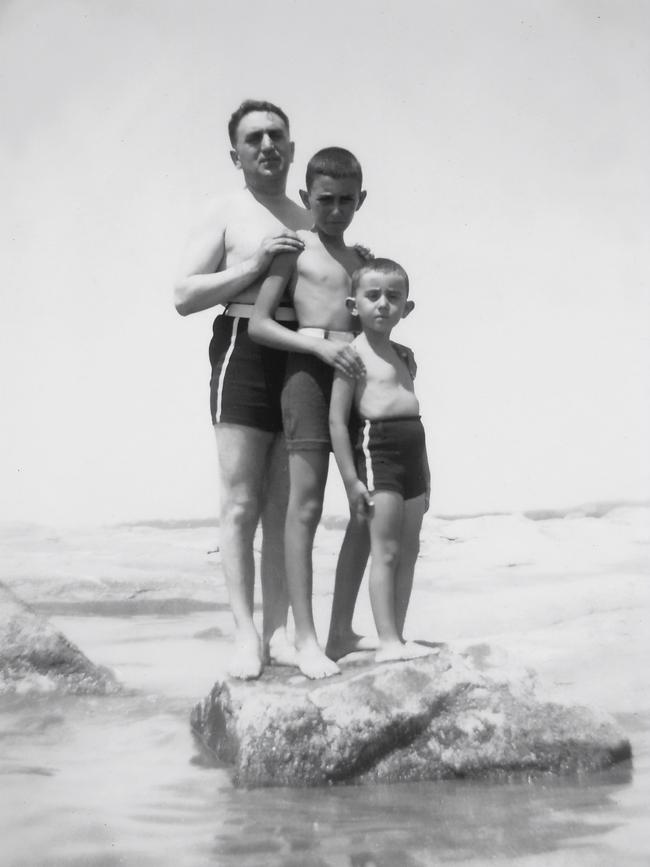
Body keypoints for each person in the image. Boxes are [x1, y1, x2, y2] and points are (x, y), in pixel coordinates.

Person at [174, 99, 311, 679]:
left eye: (276, 135)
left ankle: (281, 632)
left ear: (292, 146)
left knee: (285, 505)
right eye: (253, 138)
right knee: (240, 500)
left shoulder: (309, 217)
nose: (266, 145)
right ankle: (244, 635)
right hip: (241, 343)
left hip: (300, 348)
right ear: (236, 154)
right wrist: (254, 265)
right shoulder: (226, 210)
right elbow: (183, 295)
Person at [249, 147, 377, 678]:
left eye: (348, 200)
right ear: (307, 199)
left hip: (355, 379)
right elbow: (260, 323)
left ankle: (341, 629)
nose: (337, 210)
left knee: (367, 505)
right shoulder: (294, 249)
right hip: (306, 378)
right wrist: (316, 347)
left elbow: (373, 322)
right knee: (303, 507)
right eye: (326, 200)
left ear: (361, 200)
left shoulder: (362, 259)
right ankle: (304, 638)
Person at [329, 258, 434, 662]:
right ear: (354, 304)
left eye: (393, 297)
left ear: (406, 308)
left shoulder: (403, 356)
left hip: (412, 452)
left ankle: (397, 637)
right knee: (385, 550)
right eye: (373, 296)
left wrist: (426, 472)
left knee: (409, 549)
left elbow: (414, 416)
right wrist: (351, 480)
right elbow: (338, 421)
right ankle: (386, 640)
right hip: (380, 452)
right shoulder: (351, 356)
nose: (383, 304)